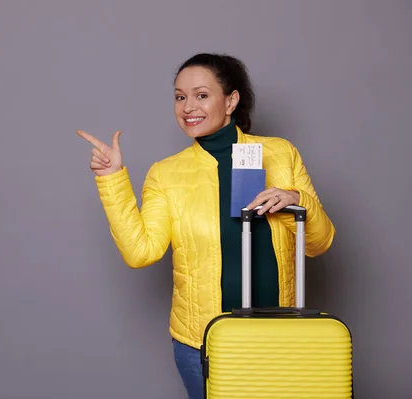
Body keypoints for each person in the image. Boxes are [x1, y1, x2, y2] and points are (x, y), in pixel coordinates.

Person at [76, 53, 335, 399]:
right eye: (180, 97)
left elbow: (319, 244)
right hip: (203, 342)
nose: (187, 107)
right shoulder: (166, 174)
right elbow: (141, 252)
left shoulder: (281, 154)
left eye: (201, 95)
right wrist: (112, 180)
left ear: (231, 100)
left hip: (279, 335)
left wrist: (294, 200)